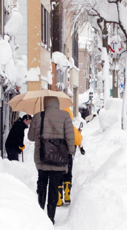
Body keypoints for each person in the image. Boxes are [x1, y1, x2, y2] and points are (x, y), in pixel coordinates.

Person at [28, 96, 75, 224]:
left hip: (42, 158)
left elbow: (31, 137)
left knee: (42, 184)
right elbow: (70, 135)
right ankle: (50, 218)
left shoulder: (38, 116)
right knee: (54, 188)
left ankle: (40, 214)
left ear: (45, 104)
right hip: (58, 159)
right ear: (57, 103)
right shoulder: (65, 115)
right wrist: (71, 152)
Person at [57, 107, 83, 206]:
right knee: (68, 173)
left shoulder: (56, 126)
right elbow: (78, 141)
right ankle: (67, 194)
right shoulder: (71, 127)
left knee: (58, 175)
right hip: (68, 154)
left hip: (58, 154)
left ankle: (59, 198)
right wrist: (79, 134)